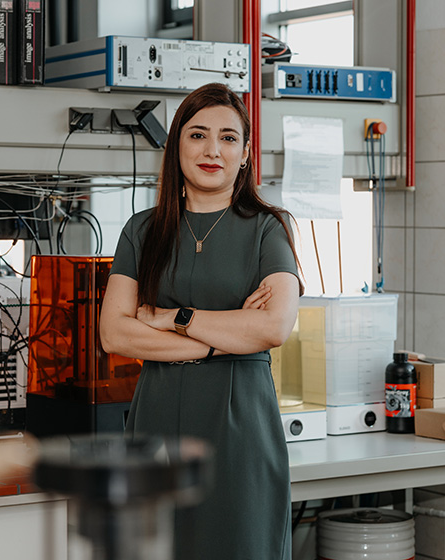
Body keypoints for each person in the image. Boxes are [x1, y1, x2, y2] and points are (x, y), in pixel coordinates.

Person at [99, 82, 302, 560]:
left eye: (229, 138)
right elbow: (114, 333)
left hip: (240, 429)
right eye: (198, 135)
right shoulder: (142, 231)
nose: (213, 150)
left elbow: (273, 328)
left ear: (246, 153)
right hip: (156, 423)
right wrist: (225, 338)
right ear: (176, 147)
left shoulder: (269, 228)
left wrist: (176, 318)